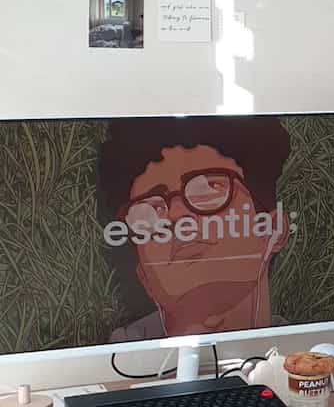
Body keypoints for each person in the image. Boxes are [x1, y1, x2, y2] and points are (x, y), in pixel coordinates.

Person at [98, 116, 291, 341]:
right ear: (144, 276)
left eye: (209, 188)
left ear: (272, 230)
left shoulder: (313, 350)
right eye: (148, 210)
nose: (176, 214)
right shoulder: (116, 361)